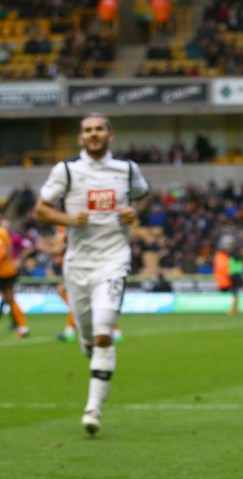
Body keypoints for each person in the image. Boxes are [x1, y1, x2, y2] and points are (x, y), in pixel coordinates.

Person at [34, 113, 150, 435]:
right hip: (78, 264)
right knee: (88, 337)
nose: (94, 134)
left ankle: (92, 409)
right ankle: (95, 356)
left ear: (110, 135)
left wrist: (134, 212)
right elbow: (40, 209)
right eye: (88, 130)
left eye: (99, 129)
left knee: (103, 333)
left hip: (114, 260)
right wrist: (69, 220)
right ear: (80, 137)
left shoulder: (127, 169)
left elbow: (145, 196)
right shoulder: (67, 170)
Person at [0, 218, 29, 338]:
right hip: (7, 270)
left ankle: (23, 328)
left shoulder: (1, 233)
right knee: (9, 298)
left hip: (4, 272)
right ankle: (22, 327)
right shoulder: (4, 233)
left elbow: (3, 252)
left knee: (9, 298)